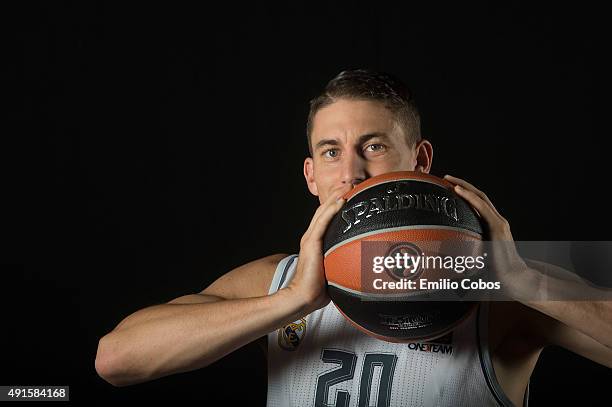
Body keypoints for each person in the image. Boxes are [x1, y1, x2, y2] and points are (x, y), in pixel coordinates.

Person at [95, 69, 612, 406]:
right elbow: (116, 359)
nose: (352, 173)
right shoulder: (273, 281)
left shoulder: (497, 288)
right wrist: (291, 301)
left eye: (374, 145)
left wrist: (522, 279)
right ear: (310, 177)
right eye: (330, 151)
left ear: (421, 161)